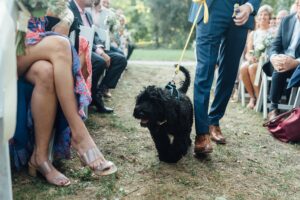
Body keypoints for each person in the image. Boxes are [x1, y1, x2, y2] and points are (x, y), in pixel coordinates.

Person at [14, 7, 117, 186]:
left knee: (46, 72)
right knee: (61, 44)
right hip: (9, 45)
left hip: (33, 45)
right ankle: (79, 134)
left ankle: (40, 158)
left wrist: (66, 21)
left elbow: (64, 9)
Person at [189, 0, 261, 155]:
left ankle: (213, 120)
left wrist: (249, 6)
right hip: (211, 7)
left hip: (240, 9)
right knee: (205, 69)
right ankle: (202, 133)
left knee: (229, 71)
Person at [69, 0, 127, 112]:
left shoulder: (87, 14)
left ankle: (99, 92)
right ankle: (89, 95)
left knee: (120, 59)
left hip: (93, 48)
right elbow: (78, 36)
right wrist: (99, 52)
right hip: (78, 48)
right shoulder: (70, 8)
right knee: (100, 62)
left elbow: (94, 35)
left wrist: (100, 48)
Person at [262, 0, 300, 121]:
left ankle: (293, 113)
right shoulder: (287, 20)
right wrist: (274, 58)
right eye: (299, 3)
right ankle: (273, 109)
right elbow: (275, 46)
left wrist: (295, 62)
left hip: (297, 65)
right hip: (280, 61)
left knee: (285, 66)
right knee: (280, 66)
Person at [240, 5, 272, 109]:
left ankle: (260, 100)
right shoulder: (253, 33)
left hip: (267, 60)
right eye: (261, 14)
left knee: (252, 68)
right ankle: (252, 97)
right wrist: (250, 58)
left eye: (266, 14)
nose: (263, 17)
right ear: (257, 17)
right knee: (243, 67)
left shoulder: (273, 32)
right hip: (254, 59)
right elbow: (248, 53)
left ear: (269, 17)